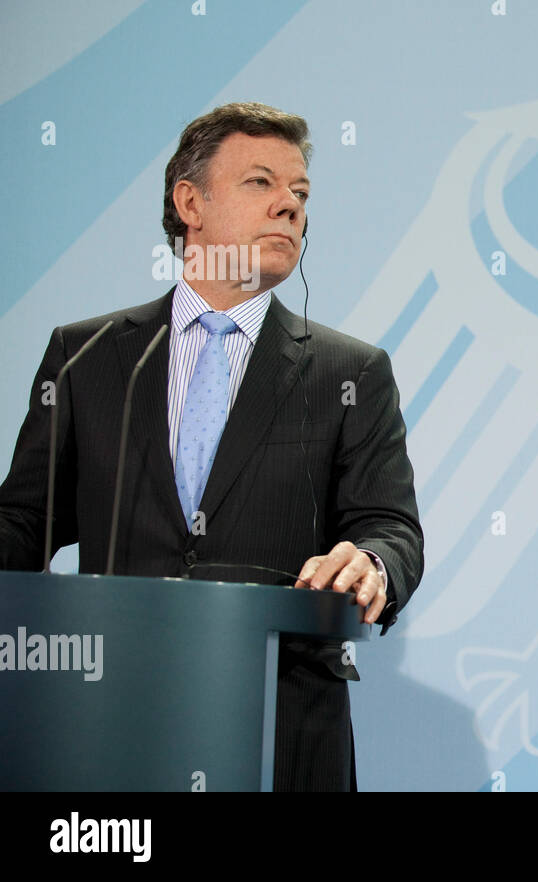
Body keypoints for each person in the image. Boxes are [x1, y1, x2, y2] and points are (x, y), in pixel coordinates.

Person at [0, 102, 424, 789]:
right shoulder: (90, 357)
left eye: (302, 193)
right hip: (110, 722)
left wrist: (372, 562)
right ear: (189, 202)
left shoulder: (349, 372)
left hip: (284, 731)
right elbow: (23, 523)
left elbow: (390, 526)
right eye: (262, 183)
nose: (290, 206)